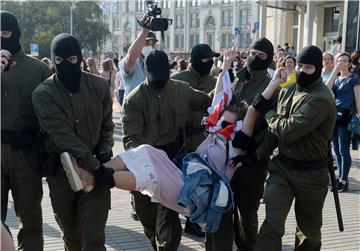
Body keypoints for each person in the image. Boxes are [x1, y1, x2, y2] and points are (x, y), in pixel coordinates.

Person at [122, 49, 212, 250]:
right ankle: (155, 238)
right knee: (146, 216)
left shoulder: (182, 90)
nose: (159, 81)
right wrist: (146, 164)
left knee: (169, 217)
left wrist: (222, 96)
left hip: (171, 164)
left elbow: (207, 101)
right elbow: (130, 139)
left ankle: (166, 245)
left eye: (162, 77)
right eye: (154, 78)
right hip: (144, 163)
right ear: (146, 72)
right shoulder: (134, 100)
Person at [32, 33, 114, 250]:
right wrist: (94, 165)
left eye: (71, 60)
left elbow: (107, 126)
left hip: (96, 176)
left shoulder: (99, 87)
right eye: (58, 60)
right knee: (71, 237)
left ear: (79, 58)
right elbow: (62, 136)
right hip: (62, 176)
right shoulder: (43, 94)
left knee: (94, 238)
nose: (65, 65)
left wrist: (104, 152)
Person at [254, 45, 337, 251]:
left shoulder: (322, 99)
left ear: (317, 69)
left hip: (312, 174)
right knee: (271, 226)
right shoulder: (287, 91)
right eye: (299, 65)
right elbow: (274, 133)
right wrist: (256, 154)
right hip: (282, 169)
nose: (301, 71)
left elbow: (288, 130)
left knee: (308, 235)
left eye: (308, 67)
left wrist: (267, 113)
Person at [213, 37, 276, 251]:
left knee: (247, 213)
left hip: (251, 162)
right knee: (221, 208)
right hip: (225, 155)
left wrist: (255, 154)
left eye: (261, 55)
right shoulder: (237, 79)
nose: (254, 58)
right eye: (252, 53)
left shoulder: (271, 86)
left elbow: (271, 129)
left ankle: (248, 247)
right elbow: (220, 104)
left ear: (268, 59)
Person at [1, 10, 52, 251]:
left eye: (5, 33)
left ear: (16, 34)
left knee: (31, 221)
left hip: (25, 154)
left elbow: (51, 115)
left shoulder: (37, 70)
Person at [326, 52, 360, 192]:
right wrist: (334, 71)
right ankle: (339, 179)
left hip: (347, 115)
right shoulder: (338, 79)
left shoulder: (354, 78)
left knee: (343, 149)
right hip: (335, 115)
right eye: (339, 60)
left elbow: (358, 98)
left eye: (344, 61)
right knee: (336, 150)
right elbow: (327, 88)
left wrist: (359, 114)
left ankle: (344, 180)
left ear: (349, 63)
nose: (341, 63)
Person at [119, 16, 158, 99]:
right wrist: (144, 32)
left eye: (153, 43)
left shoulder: (155, 63)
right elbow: (130, 60)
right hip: (134, 107)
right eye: (147, 43)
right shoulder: (133, 62)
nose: (150, 46)